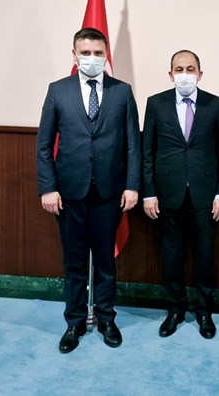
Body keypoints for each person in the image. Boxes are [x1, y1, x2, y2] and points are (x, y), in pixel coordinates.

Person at [36, 27, 141, 354]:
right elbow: (43, 145)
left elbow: (133, 145)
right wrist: (48, 188)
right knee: (74, 262)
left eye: (97, 53)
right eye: (85, 53)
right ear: (74, 55)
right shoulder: (58, 91)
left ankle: (107, 319)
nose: (92, 58)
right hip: (69, 193)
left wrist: (132, 185)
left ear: (106, 55)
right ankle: (75, 321)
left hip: (110, 192)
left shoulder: (122, 92)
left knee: (106, 262)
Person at [142, 50, 219, 339]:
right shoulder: (156, 103)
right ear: (170, 74)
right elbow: (147, 152)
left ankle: (204, 311)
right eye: (179, 69)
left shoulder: (215, 104)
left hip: (206, 197)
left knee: (205, 256)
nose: (184, 74)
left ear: (200, 74)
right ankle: (175, 310)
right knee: (171, 256)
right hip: (167, 195)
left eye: (190, 69)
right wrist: (148, 193)